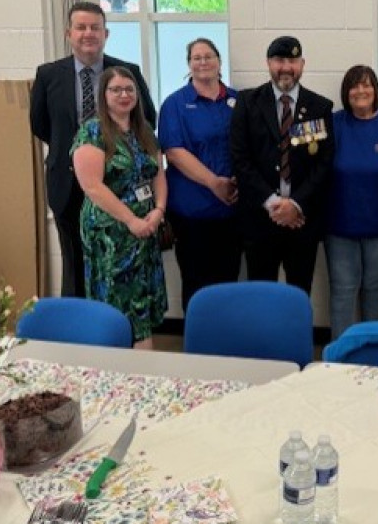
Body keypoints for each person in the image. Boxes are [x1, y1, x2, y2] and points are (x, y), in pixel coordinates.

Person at [29, 1, 156, 298]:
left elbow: (147, 120)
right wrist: (81, 156)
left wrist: (111, 157)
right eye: (81, 27)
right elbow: (40, 126)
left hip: (119, 187)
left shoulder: (127, 72)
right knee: (73, 263)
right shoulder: (48, 75)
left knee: (116, 264)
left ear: (106, 33)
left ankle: (115, 331)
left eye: (95, 27)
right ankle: (78, 334)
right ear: (68, 33)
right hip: (67, 184)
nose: (88, 33)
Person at [229, 36, 334, 294]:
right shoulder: (247, 102)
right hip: (260, 220)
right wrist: (274, 204)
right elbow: (240, 159)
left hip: (301, 221)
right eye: (279, 60)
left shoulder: (319, 106)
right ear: (268, 63)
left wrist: (295, 204)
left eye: (292, 60)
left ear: (302, 64)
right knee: (261, 296)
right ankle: (264, 337)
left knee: (300, 293)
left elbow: (324, 162)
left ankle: (296, 337)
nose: (286, 67)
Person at [71, 66, 167, 344]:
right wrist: (131, 220)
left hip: (146, 230)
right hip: (111, 233)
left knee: (141, 302)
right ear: (104, 94)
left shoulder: (144, 129)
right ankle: (119, 361)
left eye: (129, 89)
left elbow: (158, 173)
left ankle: (142, 353)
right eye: (116, 89)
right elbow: (92, 186)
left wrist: (159, 210)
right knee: (116, 304)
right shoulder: (92, 132)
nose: (124, 95)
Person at [324, 65, 378, 339]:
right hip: (339, 226)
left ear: (376, 90)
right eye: (354, 86)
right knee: (343, 290)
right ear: (346, 92)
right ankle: (339, 357)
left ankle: (368, 349)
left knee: (373, 288)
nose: (361, 91)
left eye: (367, 85)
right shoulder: (332, 124)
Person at [158, 38, 242, 313]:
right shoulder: (175, 104)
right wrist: (213, 182)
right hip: (192, 213)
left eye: (209, 56)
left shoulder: (238, 101)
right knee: (196, 283)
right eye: (197, 57)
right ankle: (197, 348)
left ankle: (225, 345)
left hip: (231, 212)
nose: (203, 62)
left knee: (228, 282)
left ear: (219, 62)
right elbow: (174, 151)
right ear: (189, 64)